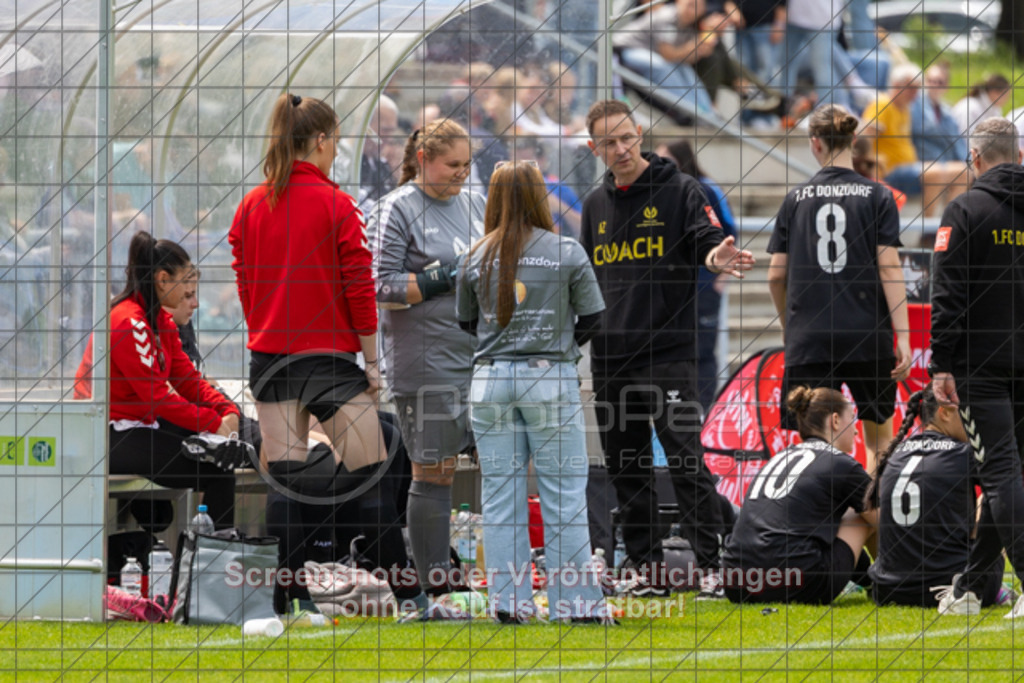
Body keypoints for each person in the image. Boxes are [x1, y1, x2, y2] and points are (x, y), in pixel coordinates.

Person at [229, 93, 453, 621]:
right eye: (335, 141)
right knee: (372, 475)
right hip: (328, 360)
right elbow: (358, 286)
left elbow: (243, 278)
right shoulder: (335, 203)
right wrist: (372, 362)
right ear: (323, 140)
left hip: (270, 357)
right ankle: (412, 599)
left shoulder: (252, 204)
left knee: (286, 482)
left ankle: (289, 603)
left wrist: (264, 322)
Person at [581, 99, 755, 597]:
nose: (619, 149)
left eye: (626, 137)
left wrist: (716, 254)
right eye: (608, 143)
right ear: (594, 148)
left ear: (639, 133)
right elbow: (590, 282)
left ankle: (711, 564)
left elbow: (707, 236)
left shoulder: (681, 189)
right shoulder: (595, 204)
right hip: (611, 359)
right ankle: (644, 568)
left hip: (668, 355)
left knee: (684, 461)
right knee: (627, 468)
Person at [456, 160, 611, 624]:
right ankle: (577, 605)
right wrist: (560, 344)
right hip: (550, 377)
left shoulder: (474, 254)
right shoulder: (566, 251)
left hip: (489, 380)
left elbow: (467, 323)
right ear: (539, 196)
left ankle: (509, 603)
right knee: (562, 493)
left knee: (500, 496)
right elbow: (594, 318)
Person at [367, 118, 485, 597]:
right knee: (434, 471)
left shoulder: (475, 203)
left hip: (479, 357)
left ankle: (486, 578)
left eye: (466, 164)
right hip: (425, 361)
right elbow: (381, 287)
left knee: (494, 465)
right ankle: (435, 586)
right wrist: (445, 277)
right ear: (423, 159)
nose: (461, 173)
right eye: (451, 165)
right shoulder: (395, 209)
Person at [767, 104, 912, 474]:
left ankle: (819, 526)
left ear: (815, 143)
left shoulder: (794, 200)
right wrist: (905, 336)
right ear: (853, 140)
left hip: (810, 337)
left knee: (815, 446)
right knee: (880, 441)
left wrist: (789, 328)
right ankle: (873, 530)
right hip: (866, 335)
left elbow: (775, 275)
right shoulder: (879, 197)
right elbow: (890, 267)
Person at [929, 117, 1024, 618]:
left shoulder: (964, 209)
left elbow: (946, 294)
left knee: (1001, 472)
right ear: (1021, 157)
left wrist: (940, 364)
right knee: (1009, 473)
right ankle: (972, 588)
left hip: (980, 366)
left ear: (976, 159)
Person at [107, 231, 241, 528]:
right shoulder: (130, 321)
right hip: (115, 435)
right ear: (163, 280)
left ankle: (204, 562)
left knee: (220, 464)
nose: (190, 297)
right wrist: (212, 423)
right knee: (218, 472)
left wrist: (227, 410)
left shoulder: (159, 321)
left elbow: (187, 380)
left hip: (142, 428)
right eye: (186, 286)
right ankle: (210, 566)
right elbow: (157, 397)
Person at [721, 386, 875, 604]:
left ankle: (870, 580)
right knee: (864, 511)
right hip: (796, 581)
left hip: (737, 582)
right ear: (835, 421)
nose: (857, 431)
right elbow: (888, 521)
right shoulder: (841, 464)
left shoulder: (778, 458)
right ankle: (886, 583)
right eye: (852, 420)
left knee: (840, 512)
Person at [866, 386, 1006, 608]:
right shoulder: (964, 454)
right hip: (950, 586)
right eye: (968, 411)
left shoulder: (895, 454)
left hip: (889, 590)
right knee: (998, 494)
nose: (975, 420)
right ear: (944, 412)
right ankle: (987, 588)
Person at [658, 139, 738, 409]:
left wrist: (720, 280)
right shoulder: (662, 191)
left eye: (666, 159)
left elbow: (730, 232)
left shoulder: (706, 189)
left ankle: (704, 410)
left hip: (703, 286)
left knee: (703, 351)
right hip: (673, 290)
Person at [860, 64, 969, 217]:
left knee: (963, 172)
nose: (915, 94)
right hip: (888, 172)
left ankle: (950, 224)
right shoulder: (882, 105)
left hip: (908, 169)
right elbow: (865, 141)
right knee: (935, 173)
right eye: (911, 88)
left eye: (917, 89)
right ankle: (928, 233)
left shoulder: (905, 108)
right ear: (897, 85)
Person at [911, 63, 967, 164]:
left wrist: (967, 166)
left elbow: (958, 145)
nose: (934, 85)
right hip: (926, 164)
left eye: (940, 82)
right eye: (930, 81)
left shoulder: (948, 113)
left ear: (947, 87)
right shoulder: (914, 106)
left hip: (949, 166)